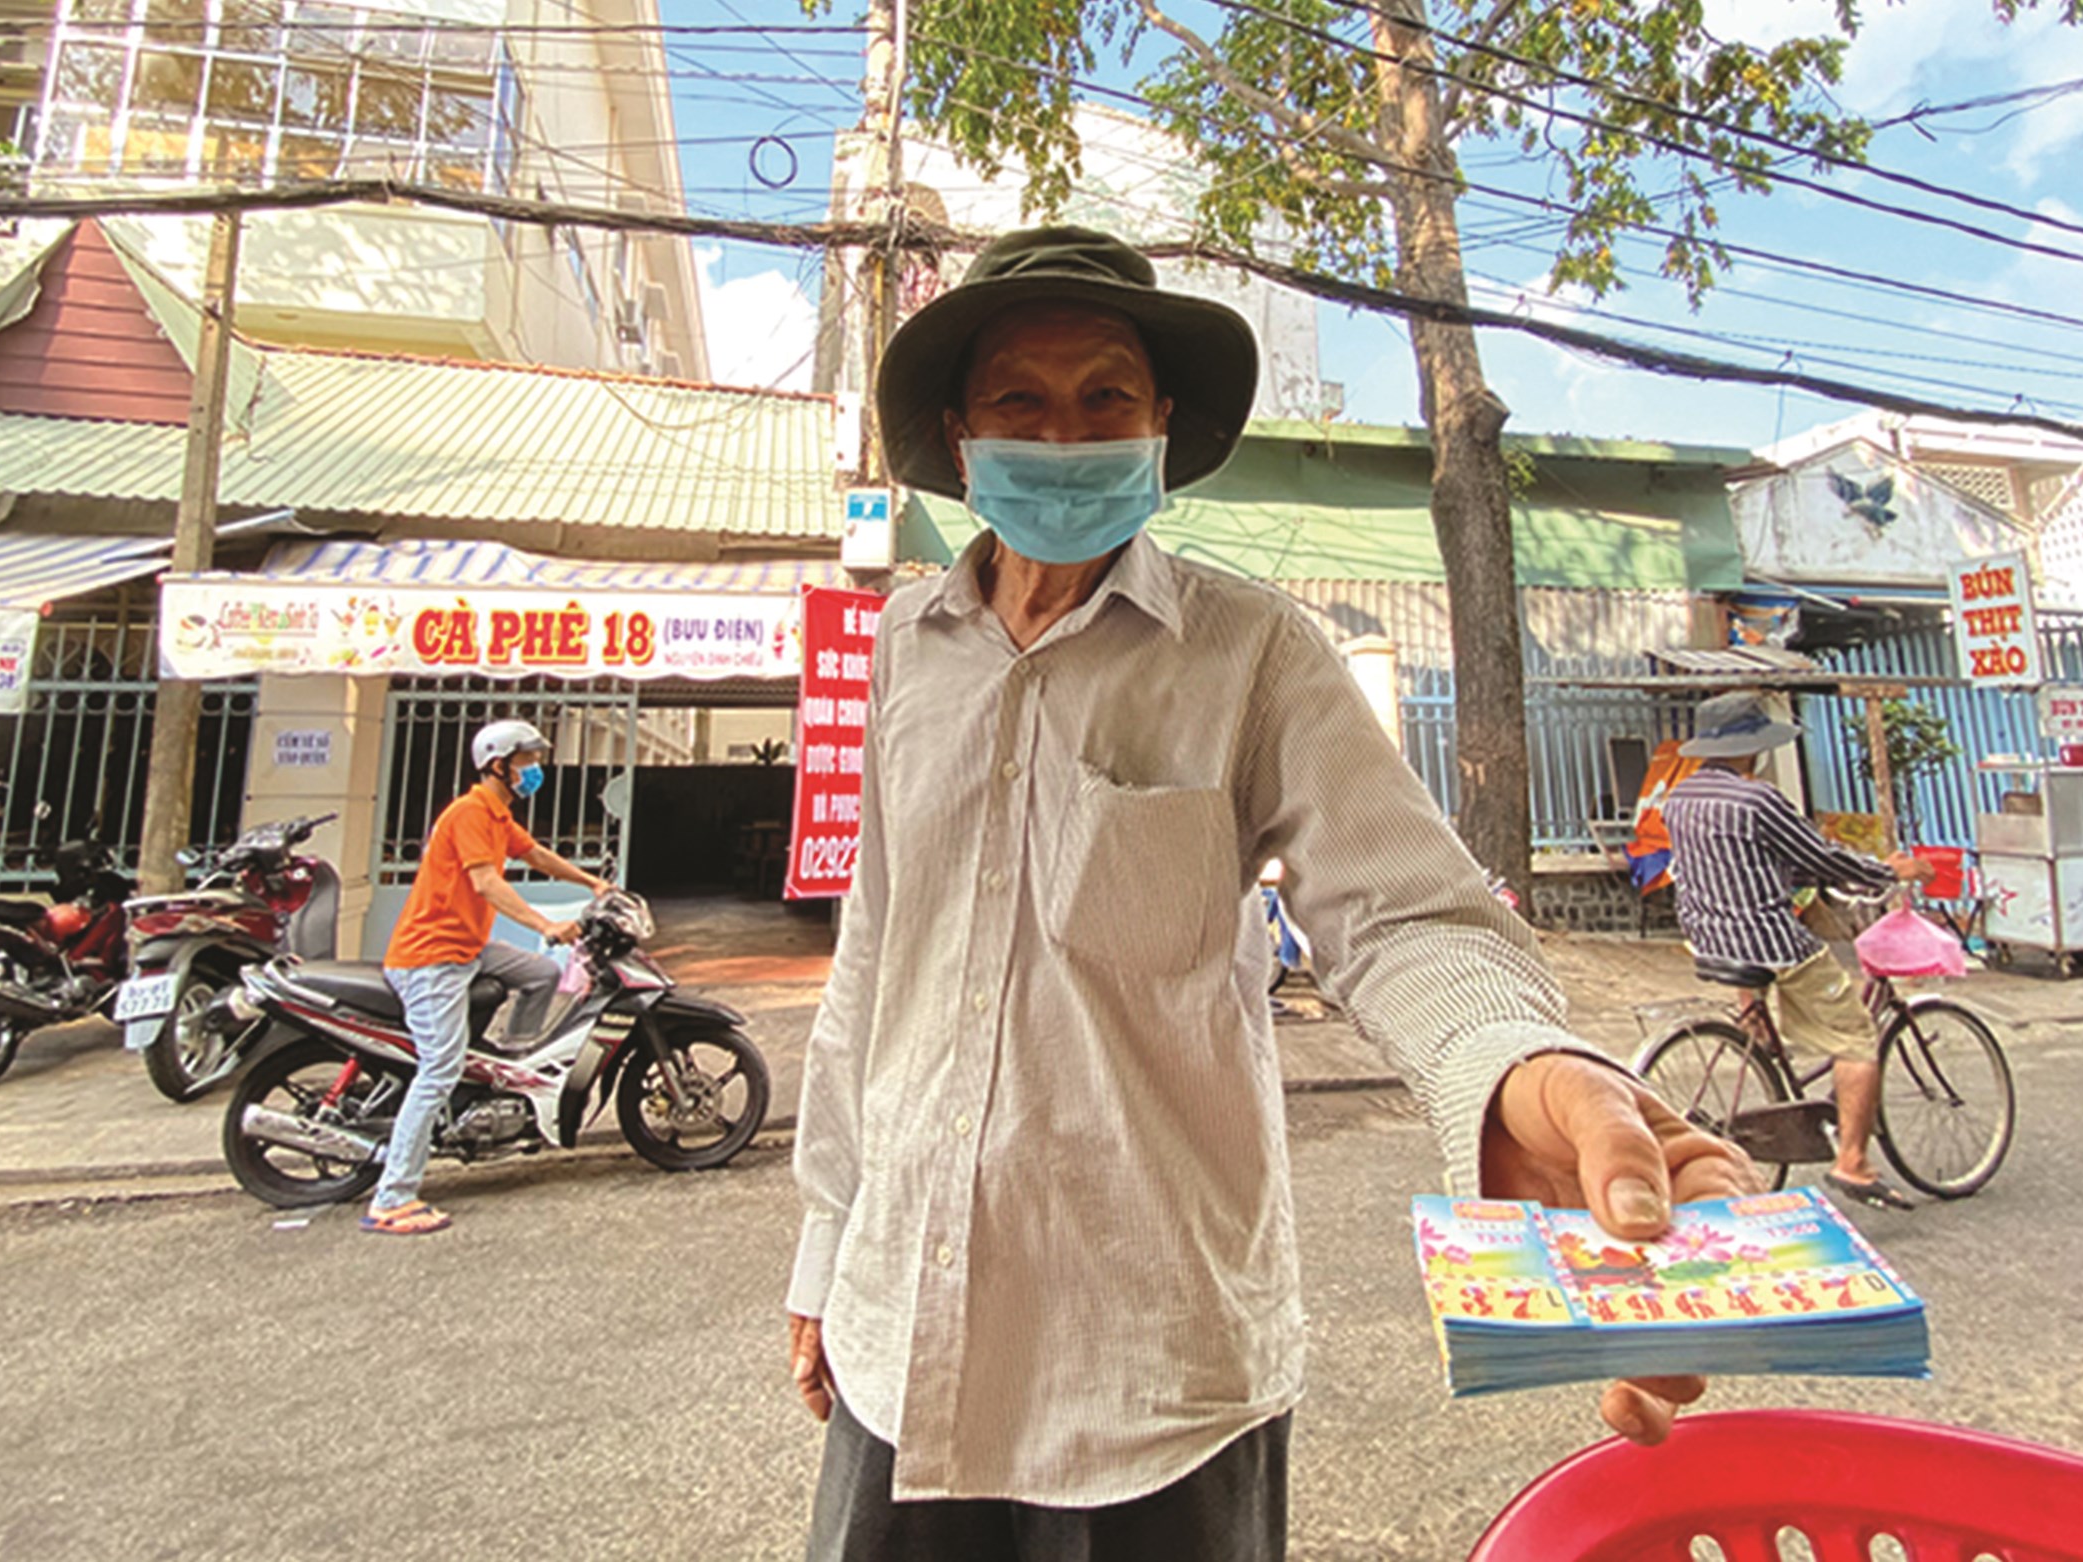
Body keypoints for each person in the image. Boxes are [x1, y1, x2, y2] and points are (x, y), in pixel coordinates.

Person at [784, 225, 1756, 1560]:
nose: (1063, 435)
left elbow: (1399, 905)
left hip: (1158, 1366)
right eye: (1020, 399)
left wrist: (1514, 1066)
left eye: (1104, 397)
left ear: (1160, 427)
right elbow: (873, 963)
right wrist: (824, 1251)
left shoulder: (1253, 650)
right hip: (904, 1330)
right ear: (960, 437)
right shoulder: (906, 646)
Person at [1661, 690, 1935, 1213]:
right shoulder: (1758, 799)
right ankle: (1852, 1162)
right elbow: (1820, 855)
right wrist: (1888, 871)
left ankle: (1753, 1021)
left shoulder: (1681, 798)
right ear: (1752, 747)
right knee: (1857, 1036)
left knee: (1767, 994)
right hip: (1768, 939)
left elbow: (1746, 863)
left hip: (1710, 935)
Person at [360, 718, 609, 1236]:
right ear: (498, 765)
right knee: (438, 1071)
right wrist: (544, 923)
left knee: (541, 973)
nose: (534, 770)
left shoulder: (498, 816)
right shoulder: (470, 813)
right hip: (432, 959)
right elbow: (487, 882)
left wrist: (593, 883)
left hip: (468, 948)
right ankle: (392, 1197)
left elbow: (534, 854)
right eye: (526, 761)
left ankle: (507, 1070)